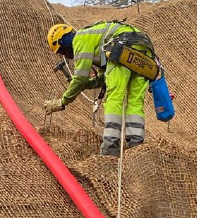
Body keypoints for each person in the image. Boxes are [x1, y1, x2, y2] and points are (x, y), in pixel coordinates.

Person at [44, 21, 158, 155]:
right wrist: (87, 84)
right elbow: (103, 78)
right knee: (135, 102)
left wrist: (62, 102)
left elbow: (80, 78)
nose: (66, 56)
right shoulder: (97, 38)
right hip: (144, 49)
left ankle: (111, 148)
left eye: (62, 51)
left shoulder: (80, 39)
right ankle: (136, 146)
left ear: (64, 41)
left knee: (114, 98)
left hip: (122, 47)